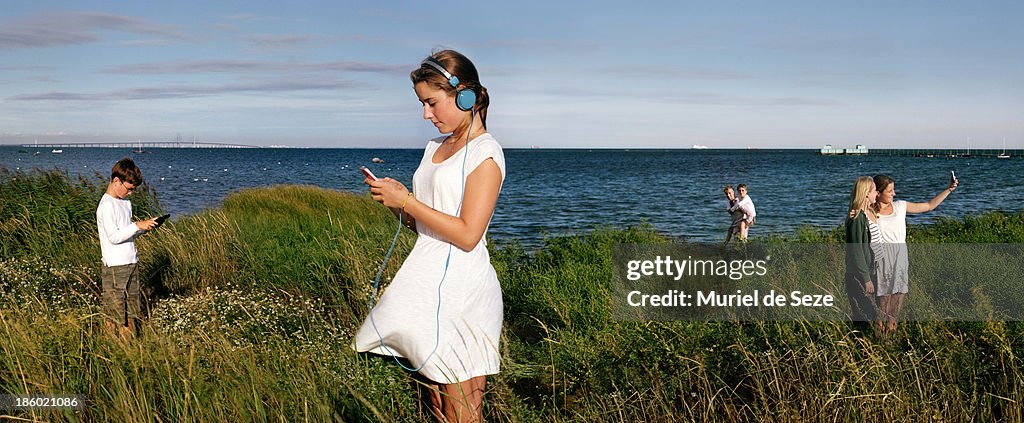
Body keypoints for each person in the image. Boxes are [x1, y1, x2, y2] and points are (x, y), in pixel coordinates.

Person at [352, 49, 504, 423]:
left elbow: (469, 234)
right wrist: (396, 204)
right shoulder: (434, 148)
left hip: (463, 291)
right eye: (422, 104)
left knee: (461, 411)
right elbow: (425, 226)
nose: (426, 114)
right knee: (437, 405)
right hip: (428, 284)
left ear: (465, 95)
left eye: (432, 103)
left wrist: (408, 201)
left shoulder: (486, 153)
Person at [872, 173, 957, 337]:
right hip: (882, 257)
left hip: (900, 254)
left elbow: (929, 205)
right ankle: (878, 334)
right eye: (889, 191)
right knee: (883, 299)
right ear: (878, 192)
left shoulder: (900, 206)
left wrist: (948, 189)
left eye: (893, 190)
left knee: (898, 295)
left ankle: (891, 333)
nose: (893, 194)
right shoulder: (870, 211)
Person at [96, 157, 157, 339]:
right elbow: (114, 237)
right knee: (114, 313)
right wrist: (137, 225)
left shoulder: (124, 203)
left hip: (131, 262)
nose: (130, 193)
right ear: (116, 181)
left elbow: (127, 233)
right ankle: (110, 345)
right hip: (115, 266)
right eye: (129, 188)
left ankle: (129, 348)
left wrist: (144, 228)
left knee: (131, 311)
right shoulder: (106, 205)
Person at [844, 176, 879, 332]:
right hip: (858, 275)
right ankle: (859, 350)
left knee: (869, 315)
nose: (877, 194)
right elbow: (856, 249)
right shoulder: (857, 218)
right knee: (864, 317)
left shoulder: (865, 214)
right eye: (874, 191)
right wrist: (866, 278)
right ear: (866, 194)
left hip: (867, 272)